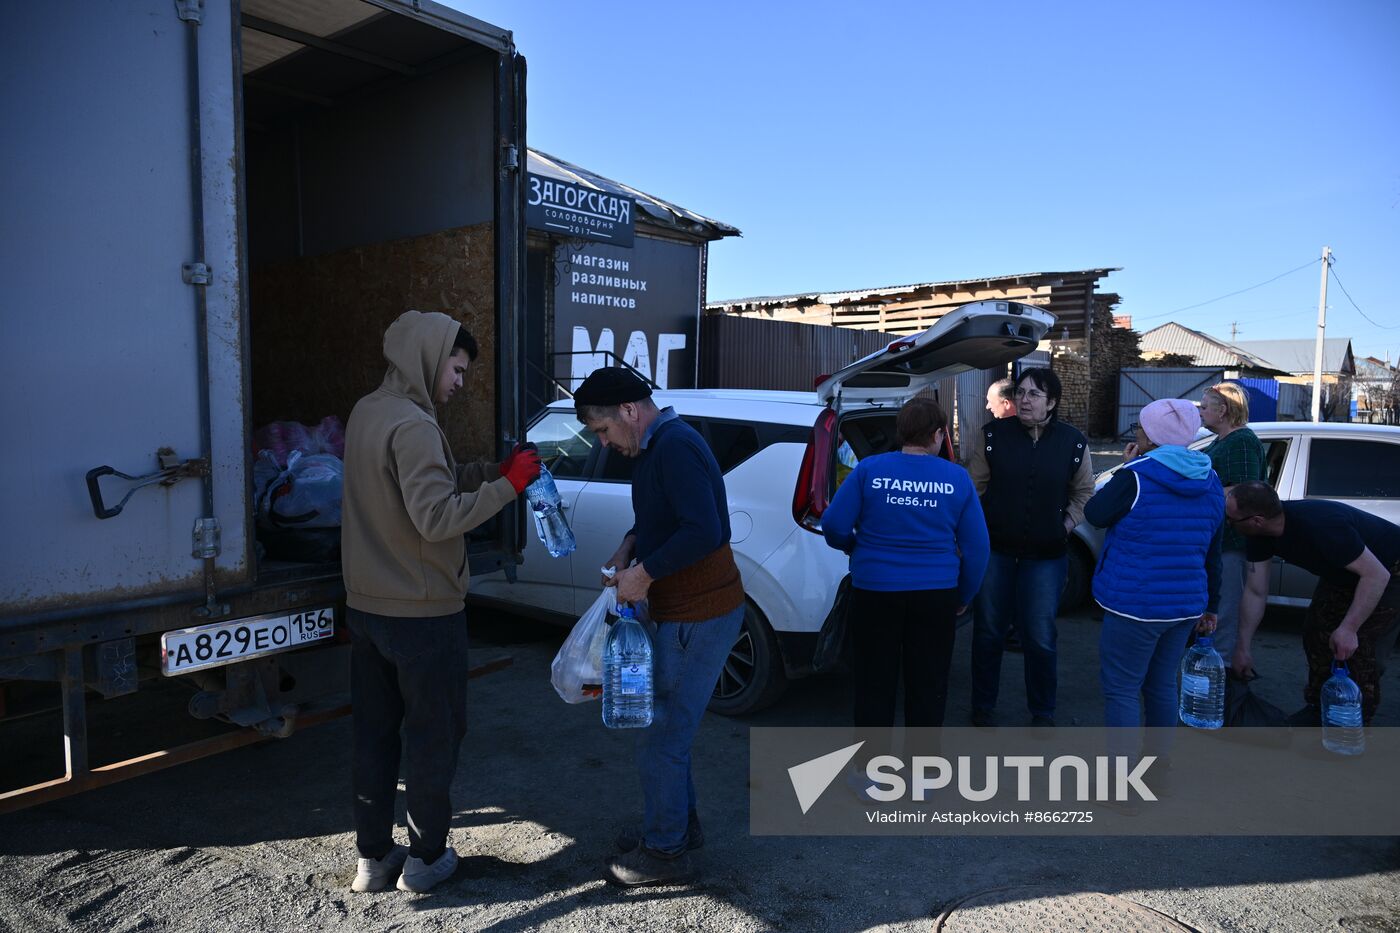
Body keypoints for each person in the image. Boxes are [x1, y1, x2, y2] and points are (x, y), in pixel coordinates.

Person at [341, 310, 541, 894]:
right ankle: (427, 860)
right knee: (432, 738)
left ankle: (373, 859)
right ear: (430, 358)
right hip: (423, 616)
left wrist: (490, 471)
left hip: (367, 609)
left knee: (374, 737)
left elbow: (435, 481)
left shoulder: (367, 412)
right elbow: (436, 517)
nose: (460, 382)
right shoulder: (415, 425)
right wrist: (509, 488)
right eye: (456, 369)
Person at [574, 366, 745, 888]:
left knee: (661, 734)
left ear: (629, 411)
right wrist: (631, 546)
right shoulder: (655, 447)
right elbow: (662, 518)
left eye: (602, 431)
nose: (605, 443)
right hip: (688, 610)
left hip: (700, 613)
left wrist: (643, 574)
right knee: (667, 733)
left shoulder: (673, 447)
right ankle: (674, 827)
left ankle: (667, 851)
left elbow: (706, 529)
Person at [821, 394, 989, 749]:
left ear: (902, 432)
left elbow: (834, 524)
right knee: (928, 684)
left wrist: (856, 547)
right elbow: (977, 549)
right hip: (936, 596)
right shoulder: (956, 479)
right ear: (938, 435)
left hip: (875, 592)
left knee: (874, 683)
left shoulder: (869, 470)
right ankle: (923, 776)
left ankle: (870, 773)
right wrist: (964, 595)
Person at [1085, 399, 1223, 745]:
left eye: (1141, 427)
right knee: (1161, 684)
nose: (1138, 432)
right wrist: (1212, 605)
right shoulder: (1211, 477)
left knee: (1122, 689)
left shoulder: (1135, 476)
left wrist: (1125, 469)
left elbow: (1096, 514)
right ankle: (1159, 770)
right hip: (1186, 603)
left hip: (1135, 603)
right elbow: (1213, 550)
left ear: (1153, 435)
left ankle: (1121, 782)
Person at [965, 367, 1094, 727]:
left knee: (1040, 636)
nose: (1024, 400)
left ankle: (1042, 711)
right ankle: (982, 706)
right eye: (1021, 393)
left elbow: (1084, 492)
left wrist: (1064, 525)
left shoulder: (1072, 442)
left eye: (1034, 394)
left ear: (1051, 402)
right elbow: (973, 489)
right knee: (989, 630)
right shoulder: (992, 436)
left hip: (1047, 557)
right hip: (996, 552)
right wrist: (976, 535)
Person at [1226, 481, 1400, 724]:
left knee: (1359, 649)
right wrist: (1242, 648)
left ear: (1256, 520)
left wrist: (1349, 628)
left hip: (1389, 570)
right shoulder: (1259, 535)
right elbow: (1256, 591)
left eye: (1231, 520)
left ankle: (1353, 724)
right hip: (1344, 573)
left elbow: (1376, 575)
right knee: (1316, 631)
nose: (1228, 524)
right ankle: (1318, 708)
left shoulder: (1320, 524)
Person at [1198, 382, 1266, 664]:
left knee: (1224, 609)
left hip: (1231, 541)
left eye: (1204, 407)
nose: (1200, 412)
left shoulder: (1242, 441)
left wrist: (1198, 494)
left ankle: (1220, 670)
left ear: (1222, 410)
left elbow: (1246, 492)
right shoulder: (1221, 439)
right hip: (1218, 538)